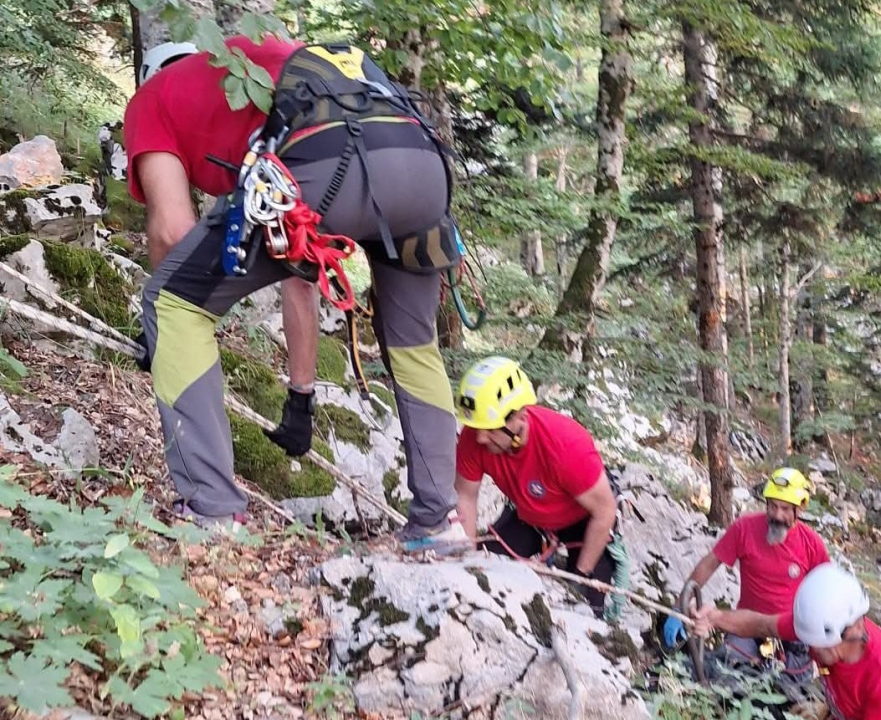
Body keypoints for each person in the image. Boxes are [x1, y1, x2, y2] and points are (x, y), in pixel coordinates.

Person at [124, 36, 465, 547]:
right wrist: (300, 394)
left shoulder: (151, 100)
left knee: (171, 303)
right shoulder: (266, 61)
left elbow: (172, 232)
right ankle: (439, 522)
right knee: (414, 344)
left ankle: (211, 509)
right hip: (422, 162)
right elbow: (295, 266)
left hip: (330, 165)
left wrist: (164, 337)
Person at [453, 356, 626, 616]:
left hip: (585, 522)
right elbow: (465, 498)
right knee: (482, 570)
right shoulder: (474, 438)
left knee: (585, 609)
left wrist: (579, 576)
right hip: (531, 517)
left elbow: (604, 511)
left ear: (519, 417)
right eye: (476, 426)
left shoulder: (566, 445)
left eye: (489, 428)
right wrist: (465, 557)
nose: (480, 436)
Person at [694, 562, 881, 720]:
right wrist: (716, 618)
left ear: (852, 632)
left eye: (817, 644)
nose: (810, 649)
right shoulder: (821, 625)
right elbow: (762, 624)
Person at [665, 467, 829, 685]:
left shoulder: (811, 544)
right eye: (773, 506)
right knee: (727, 675)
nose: (777, 515)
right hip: (746, 626)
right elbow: (710, 563)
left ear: (800, 509)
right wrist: (679, 607)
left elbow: (828, 591)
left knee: (792, 694)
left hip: (792, 632)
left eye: (785, 509)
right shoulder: (745, 528)